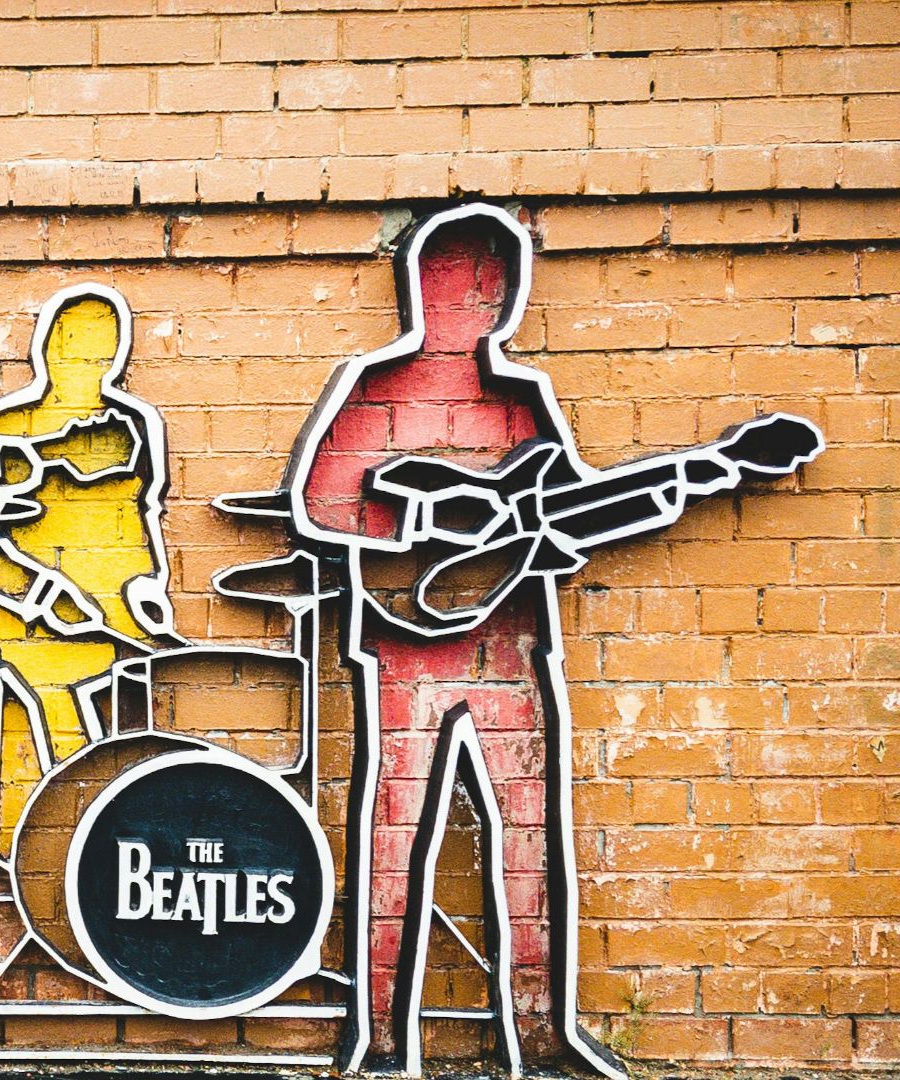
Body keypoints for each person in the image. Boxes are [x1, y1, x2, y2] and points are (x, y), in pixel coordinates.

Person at [281, 204, 624, 1079]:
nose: (473, 303)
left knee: (529, 840)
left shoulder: (523, 402)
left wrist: (549, 531)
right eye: (455, 282)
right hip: (404, 646)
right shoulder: (376, 388)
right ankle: (385, 1040)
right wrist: (423, 527)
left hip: (511, 645)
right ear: (417, 288)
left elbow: (563, 511)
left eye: (488, 288)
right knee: (393, 834)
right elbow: (319, 505)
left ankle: (542, 1036)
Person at [0, 284, 177, 852]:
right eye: (73, 341)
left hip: (111, 603)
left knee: (139, 710)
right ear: (47, 347)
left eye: (104, 348)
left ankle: (111, 842)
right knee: (54, 706)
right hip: (17, 606)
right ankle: (64, 846)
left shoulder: (130, 426)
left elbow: (140, 509)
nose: (87, 358)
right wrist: (36, 593)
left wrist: (147, 583)